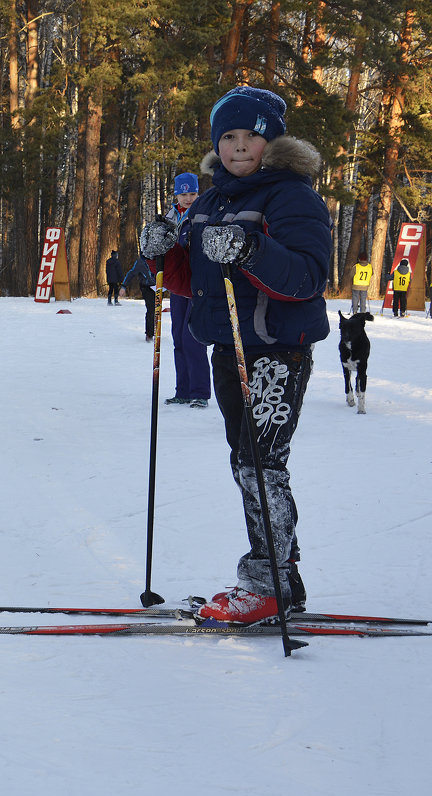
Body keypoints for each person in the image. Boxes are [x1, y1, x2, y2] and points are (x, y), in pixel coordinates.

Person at [140, 86, 330, 624]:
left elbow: (308, 278)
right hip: (229, 348)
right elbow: (194, 280)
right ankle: (279, 580)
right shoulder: (210, 200)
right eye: (228, 136)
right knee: (245, 462)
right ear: (216, 143)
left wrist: (251, 248)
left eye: (251, 135)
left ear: (272, 140)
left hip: (275, 351)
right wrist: (162, 255)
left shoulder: (293, 197)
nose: (239, 146)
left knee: (261, 464)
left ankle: (271, 583)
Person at [162, 172, 211, 409]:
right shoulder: (170, 217)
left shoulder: (202, 214)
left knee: (193, 338)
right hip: (176, 285)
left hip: (196, 284)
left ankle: (199, 391)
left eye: (192, 193)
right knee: (178, 338)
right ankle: (182, 390)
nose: (189, 198)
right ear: (176, 194)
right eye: (184, 194)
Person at [121, 255, 155, 340]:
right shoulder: (140, 262)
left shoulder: (158, 258)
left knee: (157, 308)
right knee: (151, 309)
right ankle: (149, 333)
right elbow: (131, 274)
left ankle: (156, 330)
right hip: (146, 287)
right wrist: (123, 286)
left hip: (158, 286)